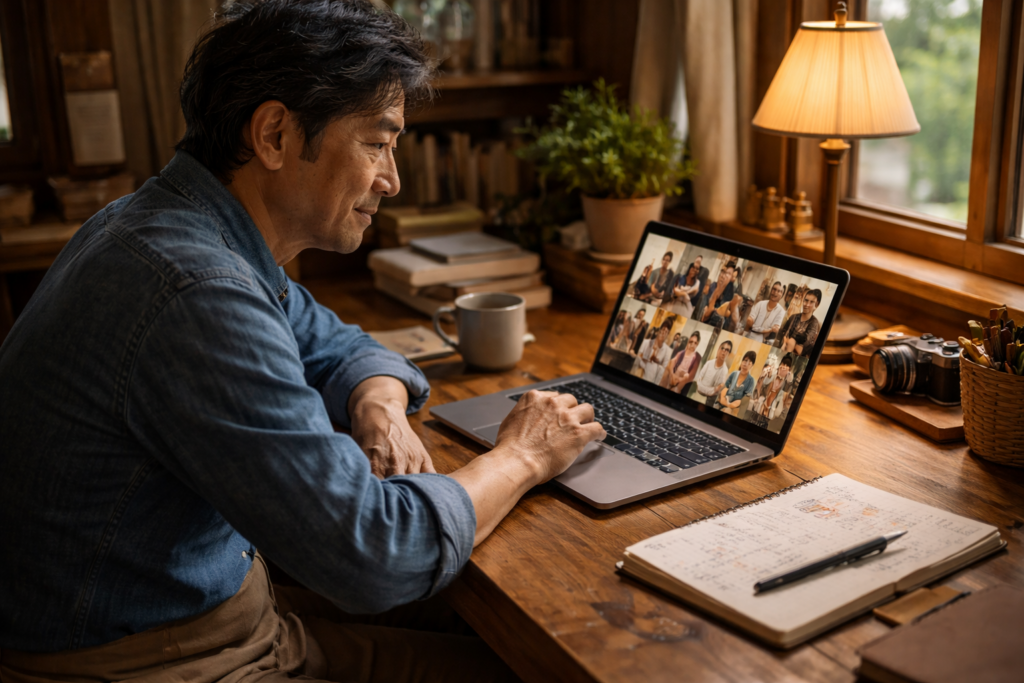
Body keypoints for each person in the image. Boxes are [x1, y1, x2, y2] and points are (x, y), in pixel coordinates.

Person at [0, 3, 607, 680]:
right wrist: (522, 457)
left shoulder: (172, 225)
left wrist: (377, 404)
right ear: (275, 135)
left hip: (219, 613)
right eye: (377, 143)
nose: (393, 179)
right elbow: (376, 555)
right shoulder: (197, 289)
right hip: (158, 661)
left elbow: (337, 342)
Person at [778, 288, 822, 358]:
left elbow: (802, 349)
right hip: (781, 353)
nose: (807, 304)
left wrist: (790, 342)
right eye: (806, 300)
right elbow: (783, 333)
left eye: (811, 302)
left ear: (816, 305)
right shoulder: (793, 317)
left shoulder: (814, 323)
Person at [753, 354, 793, 429]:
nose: (784, 367)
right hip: (762, 404)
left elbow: (786, 394)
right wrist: (770, 375)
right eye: (783, 364)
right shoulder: (773, 375)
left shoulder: (787, 382)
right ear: (780, 364)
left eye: (787, 365)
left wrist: (787, 378)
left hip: (772, 411)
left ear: (789, 369)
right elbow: (764, 384)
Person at [693, 339, 732, 407]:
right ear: (718, 349)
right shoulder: (709, 363)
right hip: (696, 395)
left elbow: (715, 391)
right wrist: (707, 390)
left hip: (708, 401)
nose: (724, 351)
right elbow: (699, 379)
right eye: (722, 348)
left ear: (728, 354)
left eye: (727, 350)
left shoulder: (724, 370)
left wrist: (704, 389)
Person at [718, 350, 758, 415]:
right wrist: (722, 399)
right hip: (724, 400)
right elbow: (725, 387)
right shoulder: (734, 373)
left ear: (752, 365)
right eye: (745, 360)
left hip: (735, 407)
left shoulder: (751, 380)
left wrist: (731, 405)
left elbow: (744, 399)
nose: (746, 363)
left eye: (749, 362)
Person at [699, 261, 736, 326]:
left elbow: (719, 313)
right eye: (724, 272)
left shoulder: (730, 293)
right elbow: (705, 314)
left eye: (729, 274)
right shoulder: (713, 286)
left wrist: (713, 310)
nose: (725, 275)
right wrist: (718, 288)